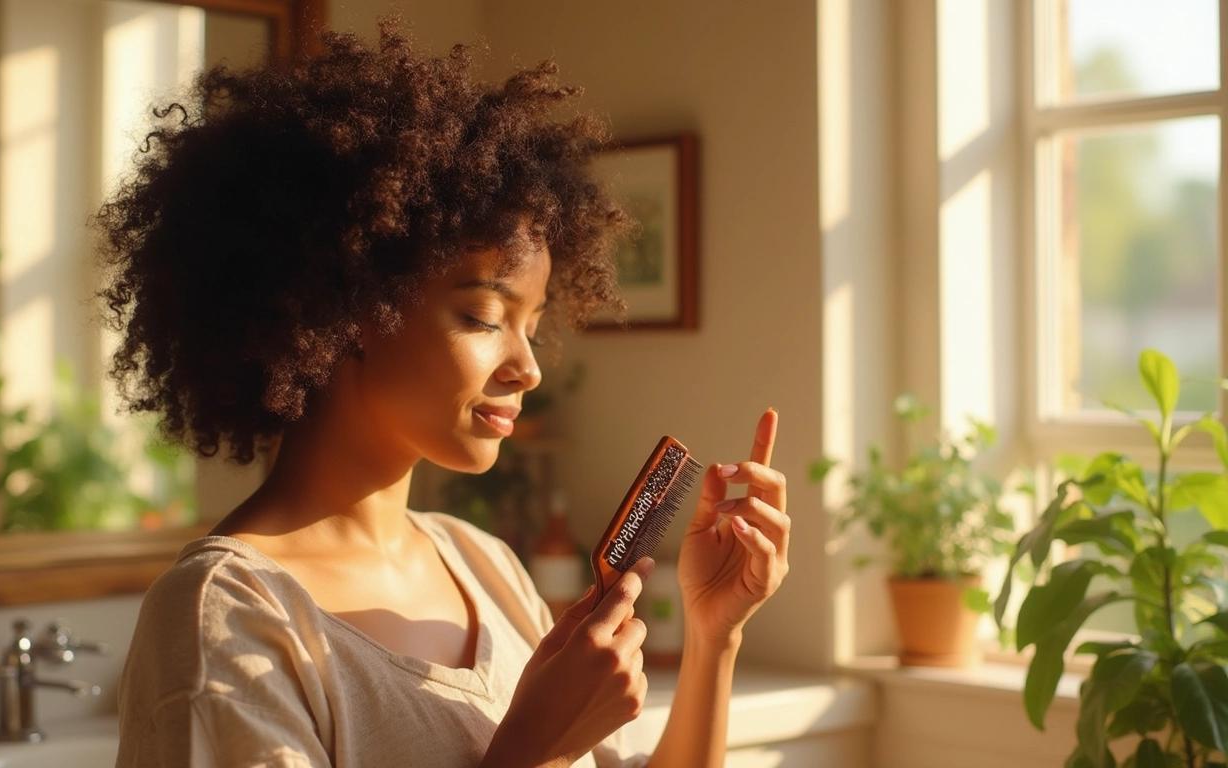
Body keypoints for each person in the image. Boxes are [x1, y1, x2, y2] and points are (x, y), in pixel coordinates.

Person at [102, 16, 790, 768]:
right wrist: (529, 751)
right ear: (348, 307)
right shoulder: (226, 617)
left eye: (532, 325)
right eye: (484, 317)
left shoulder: (482, 564)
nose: (527, 367)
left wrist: (716, 633)